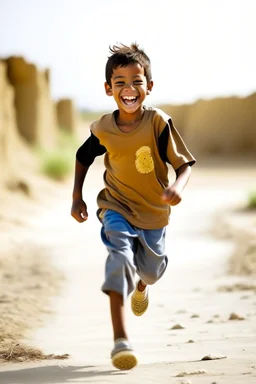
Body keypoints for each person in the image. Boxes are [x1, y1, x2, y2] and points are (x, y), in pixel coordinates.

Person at [71, 42, 196, 370]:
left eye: (137, 81)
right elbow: (83, 157)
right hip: (116, 206)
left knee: (150, 273)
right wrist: (76, 197)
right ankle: (121, 340)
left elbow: (184, 165)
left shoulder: (158, 123)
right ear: (108, 88)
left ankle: (142, 287)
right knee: (119, 259)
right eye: (120, 82)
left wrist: (177, 187)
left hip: (154, 212)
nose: (129, 89)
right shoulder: (103, 128)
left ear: (149, 87)